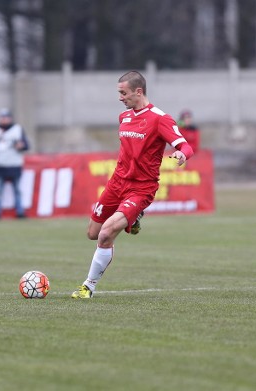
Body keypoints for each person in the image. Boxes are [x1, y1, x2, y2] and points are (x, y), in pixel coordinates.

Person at [71, 70, 194, 299]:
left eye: (123, 93)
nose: (120, 97)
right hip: (117, 183)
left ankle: (88, 286)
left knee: (106, 233)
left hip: (141, 188)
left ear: (138, 91)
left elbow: (185, 146)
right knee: (92, 233)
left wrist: (182, 155)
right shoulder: (124, 117)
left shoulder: (160, 118)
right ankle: (132, 219)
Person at [0, 108, 29, 219]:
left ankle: (20, 212)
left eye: (6, 118)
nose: (4, 120)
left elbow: (26, 145)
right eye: (2, 118)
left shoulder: (17, 129)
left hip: (14, 164)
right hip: (0, 165)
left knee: (17, 190)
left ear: (10, 119)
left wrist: (21, 146)